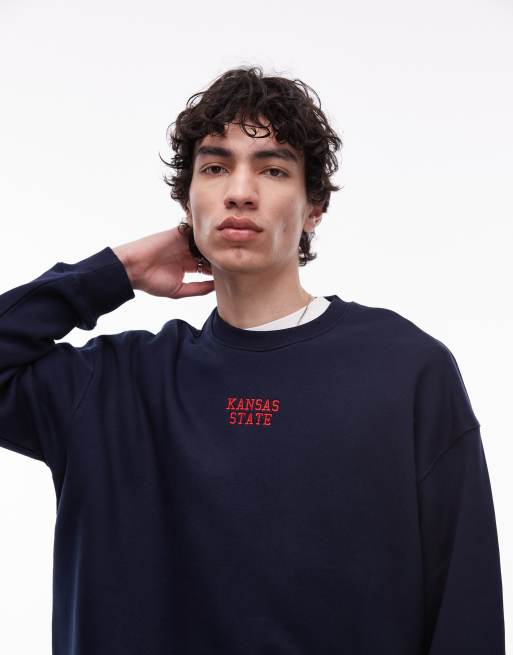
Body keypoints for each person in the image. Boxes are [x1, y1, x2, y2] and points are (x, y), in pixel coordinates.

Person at [0, 65, 505, 654]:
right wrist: (116, 271)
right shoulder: (113, 385)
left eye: (273, 169)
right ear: (188, 200)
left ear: (314, 207)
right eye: (215, 168)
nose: (240, 191)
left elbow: (465, 604)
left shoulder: (404, 370)